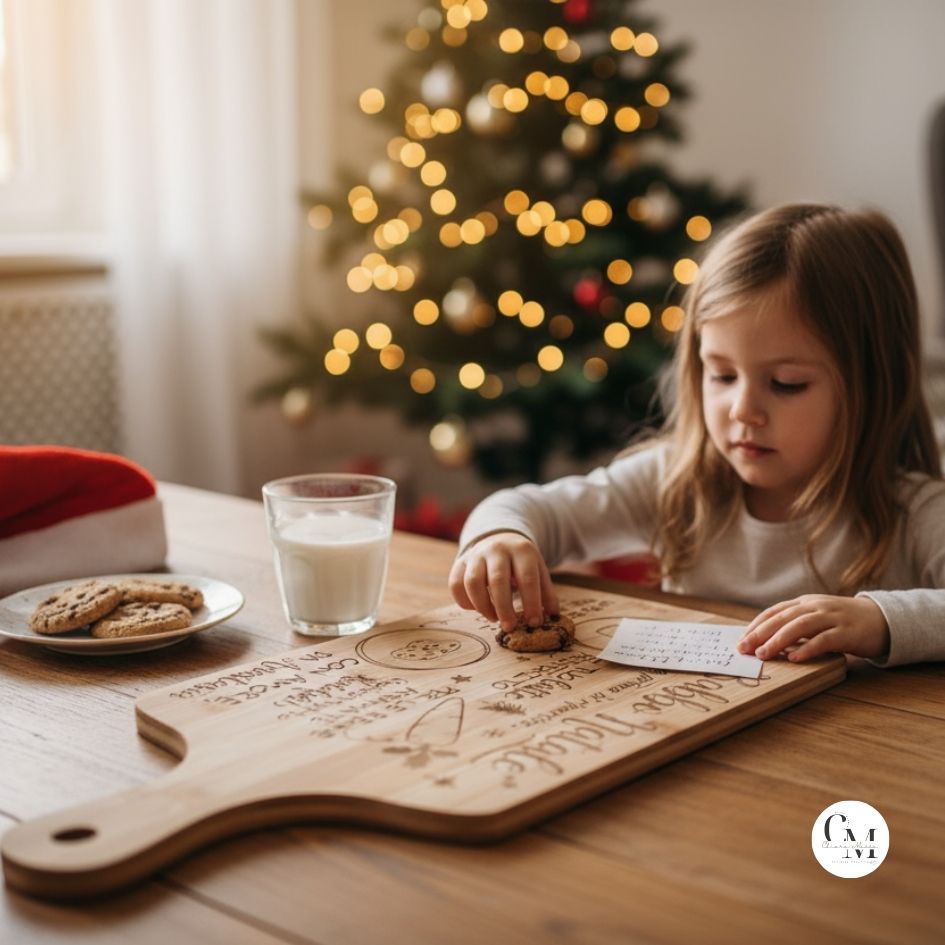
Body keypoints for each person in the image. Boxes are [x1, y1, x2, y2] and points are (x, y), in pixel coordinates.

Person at [449, 203, 945, 668]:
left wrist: (881, 620)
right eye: (722, 376)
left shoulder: (913, 511)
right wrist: (499, 537)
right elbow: (526, 509)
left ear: (875, 381)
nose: (744, 411)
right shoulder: (677, 479)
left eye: (786, 384)